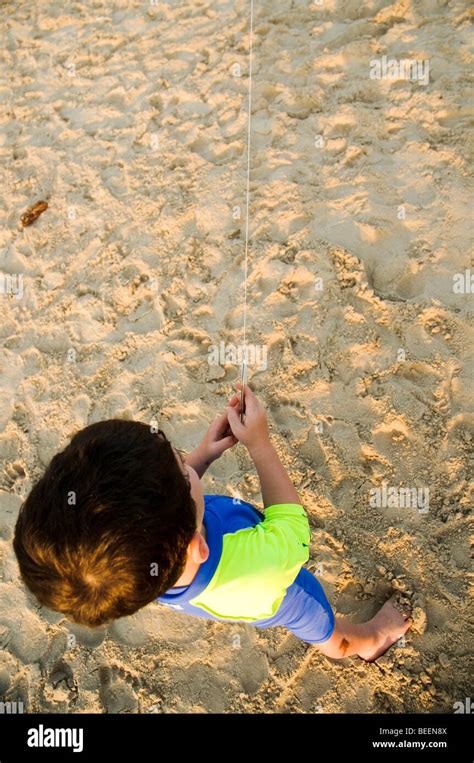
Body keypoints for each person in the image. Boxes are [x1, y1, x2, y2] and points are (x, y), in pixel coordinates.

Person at [13, 384, 411, 661]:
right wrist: (260, 445)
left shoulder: (138, 569)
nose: (186, 463)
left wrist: (203, 457)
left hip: (205, 569)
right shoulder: (261, 566)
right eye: (181, 471)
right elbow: (292, 530)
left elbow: (150, 511)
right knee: (324, 628)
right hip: (281, 596)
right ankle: (369, 642)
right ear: (197, 546)